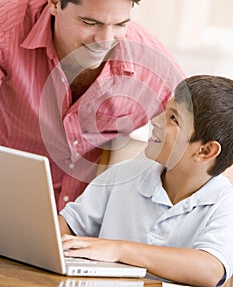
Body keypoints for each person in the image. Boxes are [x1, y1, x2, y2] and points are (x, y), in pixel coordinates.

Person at [0, 0, 183, 211]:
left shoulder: (154, 68)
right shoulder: (6, 29)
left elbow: (205, 149)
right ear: (54, 1)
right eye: (90, 22)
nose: (105, 40)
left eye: (120, 24)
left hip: (81, 226)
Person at [59, 75, 233, 287]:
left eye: (174, 118)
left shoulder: (224, 203)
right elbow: (68, 225)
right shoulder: (122, 175)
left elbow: (211, 270)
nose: (156, 120)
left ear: (205, 151)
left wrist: (119, 249)